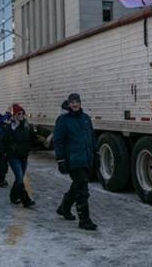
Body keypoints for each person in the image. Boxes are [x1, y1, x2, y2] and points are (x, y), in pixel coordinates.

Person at [54, 93, 98, 230]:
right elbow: (58, 141)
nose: (74, 104)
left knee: (77, 185)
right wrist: (60, 159)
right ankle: (84, 220)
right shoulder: (63, 120)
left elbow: (91, 136)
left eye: (76, 102)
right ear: (68, 104)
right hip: (73, 160)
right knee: (82, 190)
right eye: (72, 102)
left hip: (86, 158)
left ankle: (64, 208)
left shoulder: (85, 118)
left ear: (80, 103)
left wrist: (95, 154)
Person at [6, 104, 36, 208]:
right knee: (19, 177)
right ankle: (26, 200)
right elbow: (4, 141)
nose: (22, 115)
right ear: (14, 115)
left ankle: (13, 196)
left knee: (19, 177)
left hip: (23, 156)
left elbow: (31, 140)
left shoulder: (27, 126)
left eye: (23, 113)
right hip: (13, 157)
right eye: (19, 113)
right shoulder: (11, 127)